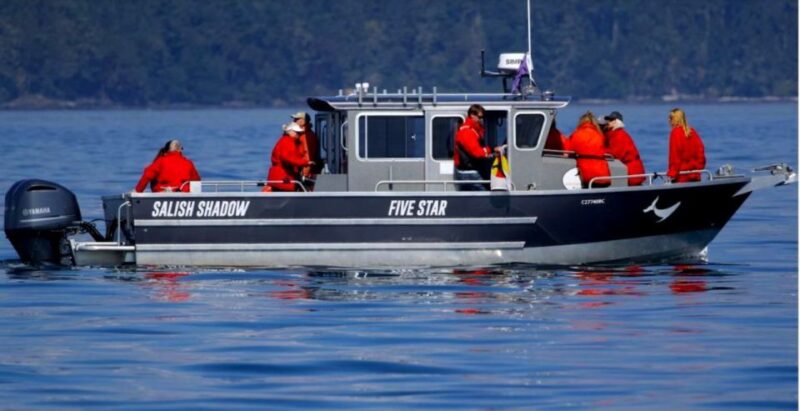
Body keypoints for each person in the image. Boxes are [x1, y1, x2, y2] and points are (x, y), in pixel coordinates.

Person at [454, 104, 500, 189]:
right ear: (472, 115)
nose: (481, 120)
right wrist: (491, 149)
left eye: (482, 118)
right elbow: (476, 153)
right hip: (469, 172)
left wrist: (492, 154)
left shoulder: (474, 131)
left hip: (471, 170)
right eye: (480, 117)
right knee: (484, 198)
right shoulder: (467, 131)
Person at [135, 139, 200, 192]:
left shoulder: (160, 162)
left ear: (166, 150)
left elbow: (146, 176)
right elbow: (197, 181)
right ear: (180, 150)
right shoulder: (188, 163)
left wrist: (138, 191)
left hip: (163, 194)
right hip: (184, 196)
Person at [267, 122, 314, 191]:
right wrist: (305, 163)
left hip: (280, 176)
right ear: (290, 132)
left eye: (300, 133)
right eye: (297, 132)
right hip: (283, 176)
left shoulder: (286, 140)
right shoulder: (287, 141)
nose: (299, 134)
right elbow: (289, 158)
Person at [570, 111, 611, 188]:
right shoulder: (600, 135)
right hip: (602, 173)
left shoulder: (576, 134)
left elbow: (569, 150)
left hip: (586, 174)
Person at [603, 111, 645, 186]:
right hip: (631, 170)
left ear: (617, 122)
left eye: (611, 120)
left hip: (631, 172)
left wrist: (599, 152)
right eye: (609, 119)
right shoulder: (614, 135)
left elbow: (616, 154)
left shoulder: (619, 135)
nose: (609, 122)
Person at [667, 108, 706, 183]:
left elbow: (675, 156)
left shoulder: (675, 133)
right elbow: (701, 152)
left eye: (671, 118)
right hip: (695, 175)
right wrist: (698, 168)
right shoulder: (692, 131)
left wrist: (672, 173)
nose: (668, 120)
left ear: (676, 119)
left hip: (681, 176)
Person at [291, 112, 322, 182]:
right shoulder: (303, 134)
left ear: (303, 121)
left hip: (304, 172)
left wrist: (304, 175)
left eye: (296, 119)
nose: (294, 121)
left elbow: (307, 156)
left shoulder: (306, 136)